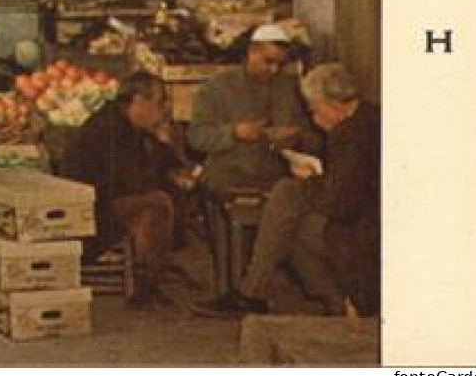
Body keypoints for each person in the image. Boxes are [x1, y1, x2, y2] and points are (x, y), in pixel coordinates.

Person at [198, 63, 380, 318]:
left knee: (287, 206)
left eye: (314, 110)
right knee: (286, 216)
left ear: (332, 105)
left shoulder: (350, 135)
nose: (314, 119)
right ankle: (257, 293)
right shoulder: (368, 117)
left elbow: (340, 202)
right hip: (363, 217)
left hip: (363, 230)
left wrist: (310, 180)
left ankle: (256, 294)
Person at [61, 73, 200, 308]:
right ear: (137, 101)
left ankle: (162, 266)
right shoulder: (110, 128)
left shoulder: (130, 126)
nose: (164, 110)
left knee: (172, 195)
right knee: (155, 205)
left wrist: (175, 164)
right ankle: (146, 287)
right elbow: (136, 180)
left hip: (108, 201)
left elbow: (161, 163)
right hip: (92, 211)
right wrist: (162, 146)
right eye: (159, 102)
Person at [186, 23, 316, 195]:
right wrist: (234, 133)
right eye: (268, 61)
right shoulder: (218, 87)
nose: (274, 69)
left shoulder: (289, 86)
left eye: (280, 64)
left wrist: (296, 136)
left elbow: (313, 134)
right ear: (251, 52)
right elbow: (196, 136)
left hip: (276, 179)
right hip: (228, 178)